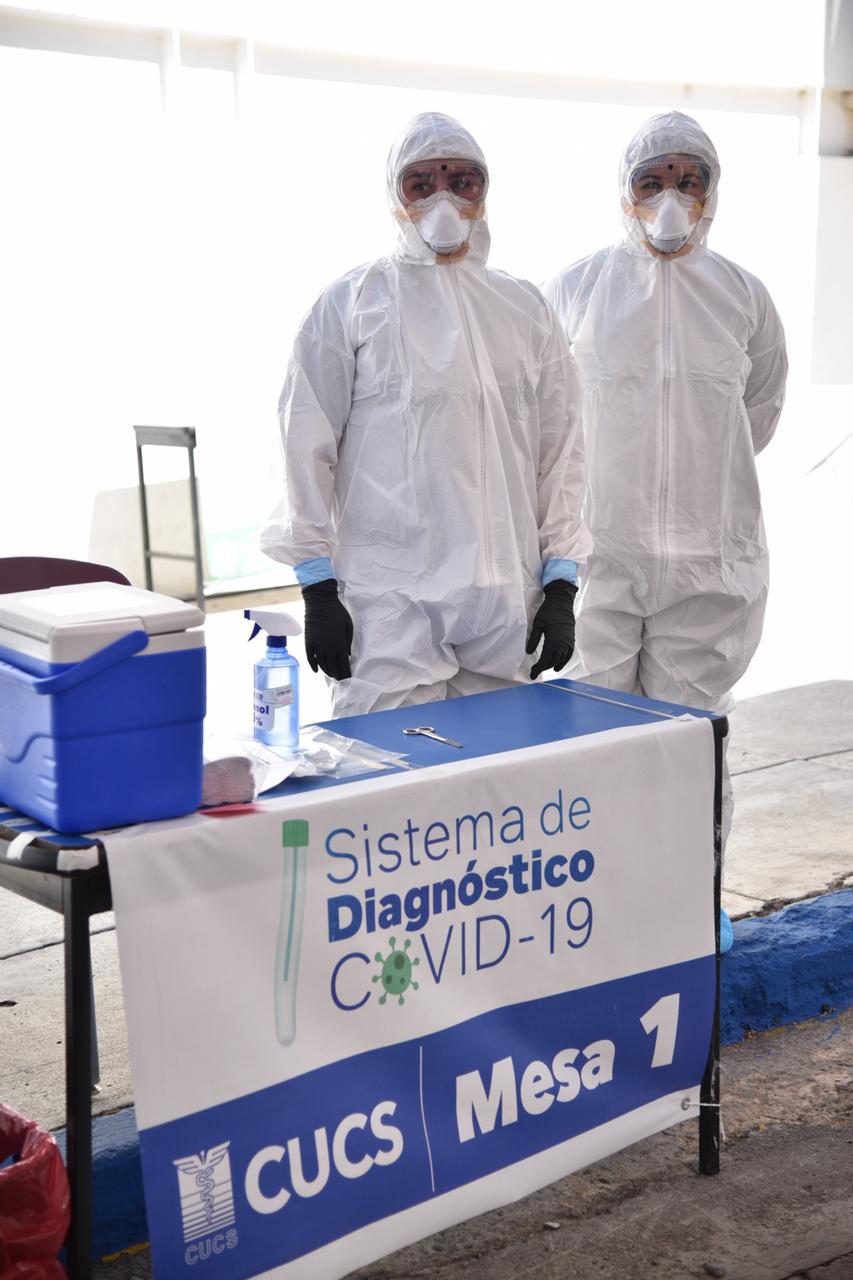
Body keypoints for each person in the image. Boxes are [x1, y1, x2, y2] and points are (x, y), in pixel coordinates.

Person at [543, 112, 787, 948]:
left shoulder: (745, 297)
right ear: (625, 193)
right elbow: (544, 422)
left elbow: (757, 416)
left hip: (707, 564)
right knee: (589, 743)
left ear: (713, 194)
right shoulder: (574, 289)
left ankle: (682, 907)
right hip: (597, 559)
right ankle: (590, 919)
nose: (670, 198)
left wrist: (690, 493)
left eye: (689, 180)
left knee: (689, 746)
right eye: (652, 181)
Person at [262, 112, 589, 717]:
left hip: (503, 600)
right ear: (396, 198)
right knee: (392, 789)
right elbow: (304, 444)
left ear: (484, 194)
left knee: (497, 788)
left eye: (462, 181)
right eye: (422, 183)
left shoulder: (525, 309)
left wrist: (562, 578)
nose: (443, 198)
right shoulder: (354, 303)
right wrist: (316, 583)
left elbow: (561, 452)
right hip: (390, 603)